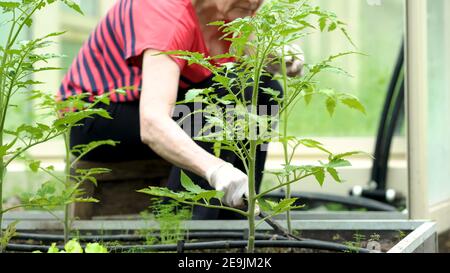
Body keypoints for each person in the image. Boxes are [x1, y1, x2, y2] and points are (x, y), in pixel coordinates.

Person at [59, 0, 303, 219]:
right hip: (97, 115)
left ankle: (240, 216)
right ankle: (181, 226)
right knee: (214, 102)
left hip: (168, 105)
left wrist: (273, 59)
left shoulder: (235, 11)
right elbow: (152, 121)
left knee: (262, 88)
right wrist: (215, 170)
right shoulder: (164, 9)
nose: (255, 2)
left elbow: (244, 78)